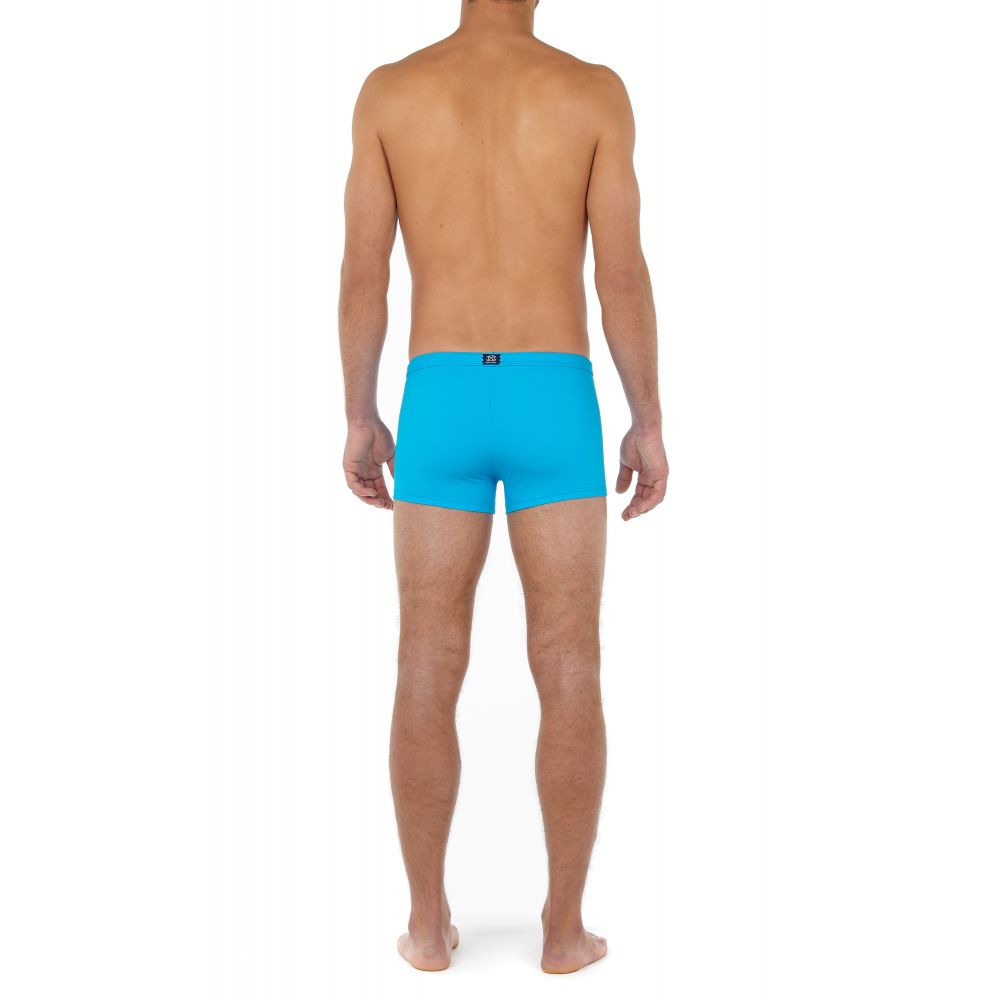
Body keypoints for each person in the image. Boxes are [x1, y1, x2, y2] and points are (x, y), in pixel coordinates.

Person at [339, 0, 668, 975]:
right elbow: (620, 277)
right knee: (569, 664)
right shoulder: (592, 93)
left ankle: (424, 927)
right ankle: (563, 932)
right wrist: (647, 418)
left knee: (425, 661)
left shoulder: (391, 92)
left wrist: (360, 414)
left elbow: (364, 275)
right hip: (552, 395)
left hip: (440, 393)